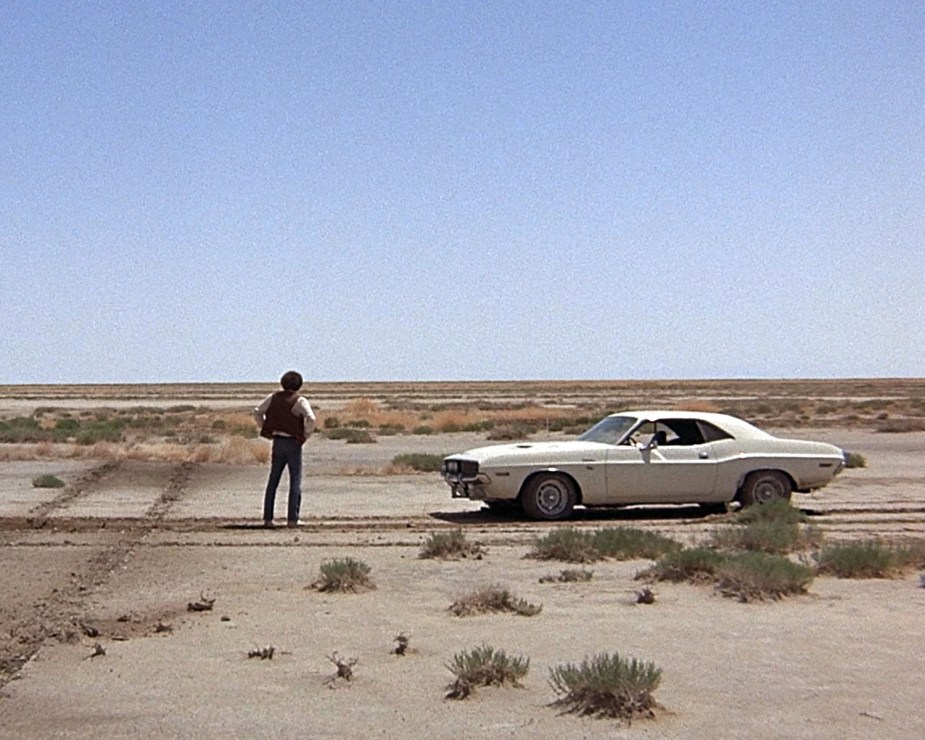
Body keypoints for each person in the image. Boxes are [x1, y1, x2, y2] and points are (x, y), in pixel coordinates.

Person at [253, 371, 316, 528]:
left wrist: (266, 428)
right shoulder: (299, 400)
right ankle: (292, 519)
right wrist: (306, 434)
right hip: (293, 443)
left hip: (278, 442)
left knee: (273, 480)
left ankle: (268, 519)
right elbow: (311, 418)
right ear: (299, 385)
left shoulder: (273, 398)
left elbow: (257, 412)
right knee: (295, 481)